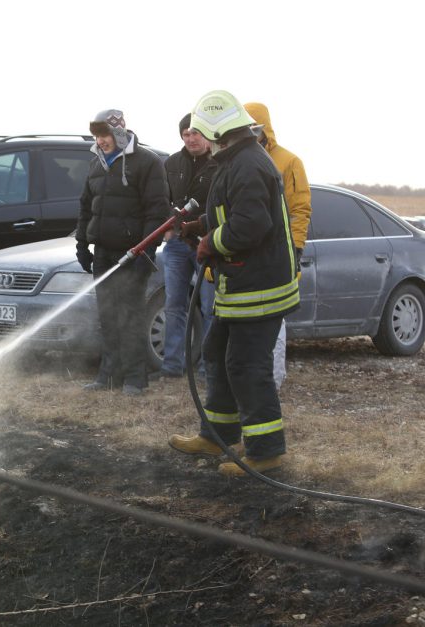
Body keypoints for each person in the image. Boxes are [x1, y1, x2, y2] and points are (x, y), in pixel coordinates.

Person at [168, 91, 299, 476]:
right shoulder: (234, 160)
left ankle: (265, 452)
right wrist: (201, 226)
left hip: (260, 287)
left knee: (246, 365)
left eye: (202, 132)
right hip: (239, 284)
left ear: (218, 130)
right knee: (216, 352)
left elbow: (252, 224)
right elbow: (232, 212)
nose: (199, 139)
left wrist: (212, 242)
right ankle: (217, 437)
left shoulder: (247, 165)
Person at [76, 109, 170, 396]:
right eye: (96, 136)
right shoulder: (96, 164)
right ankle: (108, 376)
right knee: (107, 315)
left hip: (133, 254)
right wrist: (82, 243)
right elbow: (85, 207)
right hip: (102, 252)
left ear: (117, 132)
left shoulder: (147, 162)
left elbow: (158, 211)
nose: (100, 141)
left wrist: (146, 252)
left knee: (130, 315)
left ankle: (135, 379)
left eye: (104, 135)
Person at [244, 102, 312, 390]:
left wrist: (294, 250)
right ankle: (247, 381)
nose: (249, 133)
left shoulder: (288, 162)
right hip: (247, 253)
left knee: (274, 320)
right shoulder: (238, 160)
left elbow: (299, 210)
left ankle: (273, 380)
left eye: (253, 128)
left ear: (263, 128)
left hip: (277, 253)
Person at [158, 113, 218, 378]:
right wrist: (169, 230)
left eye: (196, 133)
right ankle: (172, 365)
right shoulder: (171, 163)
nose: (191, 138)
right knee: (174, 304)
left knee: (209, 306)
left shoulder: (219, 164)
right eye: (186, 134)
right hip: (176, 245)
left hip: (208, 245)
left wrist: (208, 233)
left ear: (207, 135)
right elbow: (162, 200)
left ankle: (208, 368)